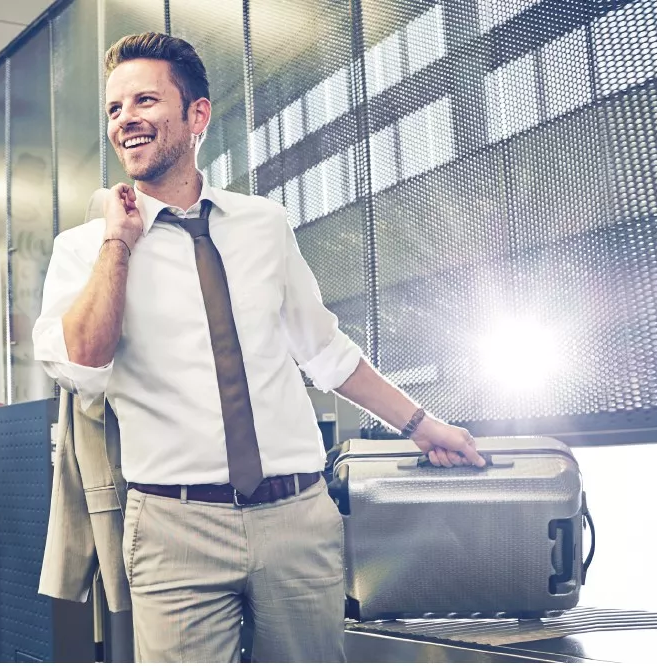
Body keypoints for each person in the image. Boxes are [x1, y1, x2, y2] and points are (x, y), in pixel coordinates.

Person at [32, 32, 486, 663]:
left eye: (144, 100)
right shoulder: (84, 249)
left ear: (197, 115)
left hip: (296, 516)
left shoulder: (264, 224)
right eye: (114, 109)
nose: (125, 120)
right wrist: (119, 244)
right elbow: (80, 364)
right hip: (173, 527)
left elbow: (322, 346)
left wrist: (418, 422)